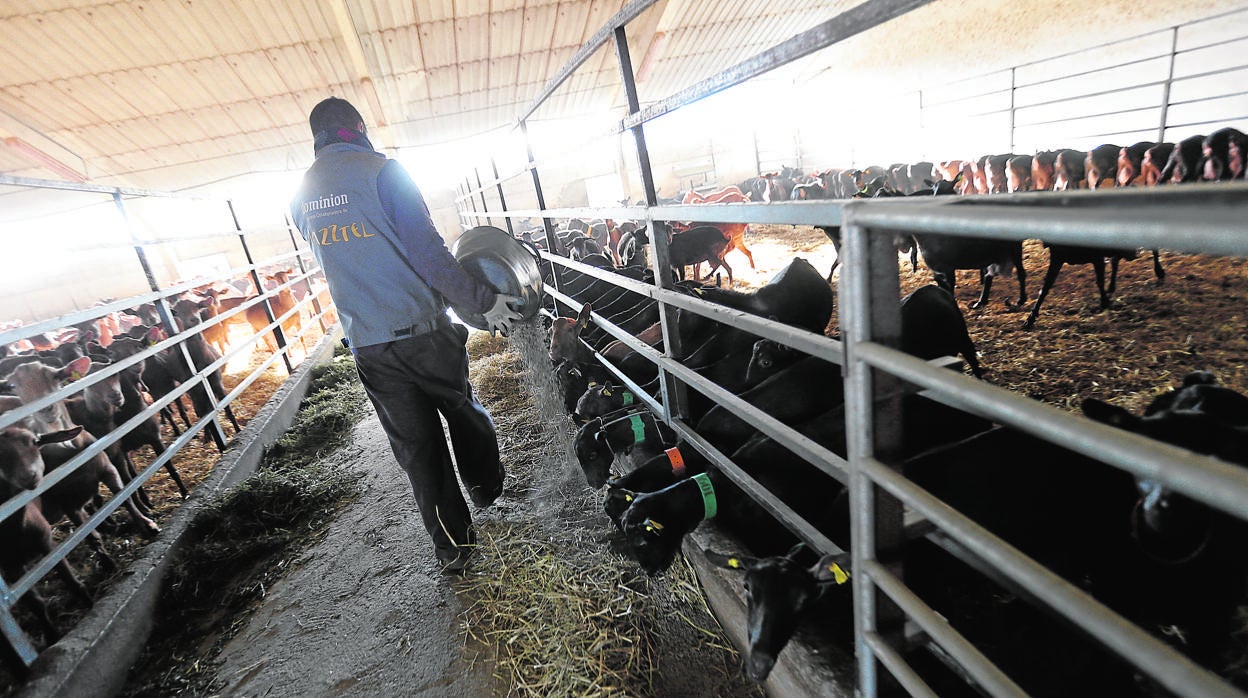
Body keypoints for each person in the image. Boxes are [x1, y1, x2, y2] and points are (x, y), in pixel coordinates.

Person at [289, 96, 522, 573]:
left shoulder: (299, 197)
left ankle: (454, 549)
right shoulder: (384, 172)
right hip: (424, 332)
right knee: (462, 409)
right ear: (357, 127)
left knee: (418, 450)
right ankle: (484, 487)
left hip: (369, 344)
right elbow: (430, 255)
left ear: (317, 138)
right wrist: (481, 300)